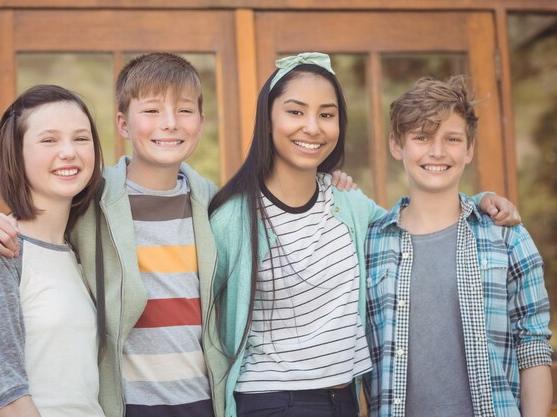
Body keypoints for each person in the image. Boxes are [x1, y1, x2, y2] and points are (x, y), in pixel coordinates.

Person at [0, 53, 351, 417]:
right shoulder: (91, 201)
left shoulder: (216, 205)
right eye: (152, 111)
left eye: (185, 111)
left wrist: (332, 183)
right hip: (126, 404)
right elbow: (5, 249)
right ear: (122, 122)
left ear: (201, 122)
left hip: (204, 401)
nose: (169, 124)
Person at [207, 53, 521, 417]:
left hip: (345, 400)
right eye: (295, 112)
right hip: (273, 399)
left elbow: (412, 221)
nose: (312, 127)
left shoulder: (348, 204)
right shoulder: (234, 217)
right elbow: (200, 321)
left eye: (326, 114)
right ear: (267, 119)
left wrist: (482, 203)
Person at [363, 76, 552, 417]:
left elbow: (533, 347)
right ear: (396, 145)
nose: (437, 151)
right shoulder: (370, 244)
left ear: (469, 149)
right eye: (421, 137)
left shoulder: (507, 236)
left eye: (451, 139)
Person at [0, 84, 105, 417]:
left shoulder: (77, 252)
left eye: (81, 139)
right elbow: (8, 395)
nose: (68, 152)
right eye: (49, 140)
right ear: (16, 154)